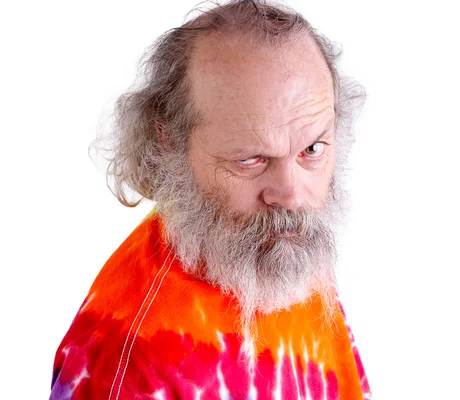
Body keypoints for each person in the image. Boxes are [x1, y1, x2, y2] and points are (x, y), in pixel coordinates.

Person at [50, 1, 370, 398]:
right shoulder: (131, 359)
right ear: (170, 142)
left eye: (312, 150)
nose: (291, 195)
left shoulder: (274, 253)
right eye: (251, 159)